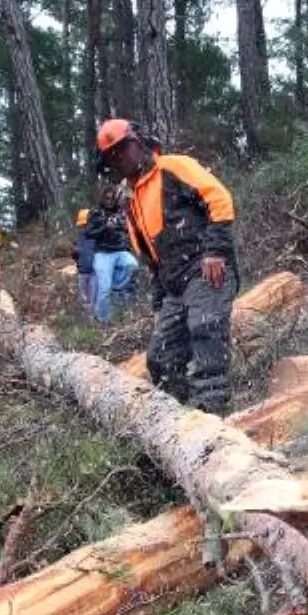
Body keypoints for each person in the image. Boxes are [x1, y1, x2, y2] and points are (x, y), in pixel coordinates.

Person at [95, 118, 238, 415]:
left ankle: (212, 410)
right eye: (113, 156)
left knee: (205, 327)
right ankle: (181, 418)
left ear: (138, 141)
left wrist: (215, 250)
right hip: (174, 284)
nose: (120, 158)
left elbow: (219, 199)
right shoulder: (132, 200)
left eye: (123, 149)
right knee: (160, 357)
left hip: (205, 267)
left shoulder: (172, 168)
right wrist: (159, 300)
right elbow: (150, 257)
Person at [85, 184, 139, 324]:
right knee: (104, 288)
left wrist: (119, 225)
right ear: (102, 198)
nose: (109, 200)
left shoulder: (121, 212)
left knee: (132, 265)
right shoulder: (95, 212)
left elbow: (128, 229)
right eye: (107, 197)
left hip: (120, 250)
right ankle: (103, 319)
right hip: (102, 253)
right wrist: (105, 227)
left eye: (112, 197)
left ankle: (118, 289)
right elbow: (89, 233)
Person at [72, 208, 97, 317]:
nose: (84, 227)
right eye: (82, 225)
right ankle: (86, 318)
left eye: (85, 224)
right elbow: (76, 254)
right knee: (84, 298)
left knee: (93, 297)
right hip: (82, 272)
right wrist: (75, 254)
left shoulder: (96, 236)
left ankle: (94, 318)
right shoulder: (79, 237)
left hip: (94, 272)